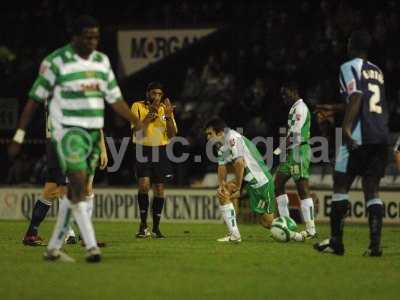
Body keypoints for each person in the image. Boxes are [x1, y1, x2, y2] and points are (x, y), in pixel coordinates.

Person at [8, 15, 141, 262]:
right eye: (88, 37)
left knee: (70, 191)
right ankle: (90, 246)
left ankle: (53, 246)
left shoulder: (101, 62)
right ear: (75, 37)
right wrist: (19, 133)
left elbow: (113, 99)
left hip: (91, 134)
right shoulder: (55, 63)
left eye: (96, 37)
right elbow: (34, 99)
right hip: (66, 134)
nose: (93, 42)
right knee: (76, 185)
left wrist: (135, 121)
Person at [314, 30, 389, 256]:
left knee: (340, 185)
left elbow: (356, 97)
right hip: (381, 136)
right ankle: (374, 246)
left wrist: (345, 128)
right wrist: (334, 108)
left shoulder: (348, 67)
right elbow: (364, 100)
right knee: (372, 190)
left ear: (352, 46)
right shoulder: (377, 71)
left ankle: (336, 242)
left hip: (358, 136)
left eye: (347, 42)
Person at [204, 116, 304, 243]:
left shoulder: (233, 138)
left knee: (268, 223)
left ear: (220, 132)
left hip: (261, 181)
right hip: (252, 182)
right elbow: (222, 166)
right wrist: (222, 183)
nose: (208, 137)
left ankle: (295, 235)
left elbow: (239, 163)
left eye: (209, 134)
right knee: (224, 193)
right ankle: (234, 235)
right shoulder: (221, 145)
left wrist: (238, 187)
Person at [130, 82, 177, 239]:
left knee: (159, 189)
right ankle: (143, 226)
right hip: (143, 149)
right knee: (143, 185)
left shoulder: (165, 109)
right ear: (148, 93)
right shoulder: (137, 106)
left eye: (159, 94)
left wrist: (169, 117)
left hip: (160, 150)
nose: (157, 97)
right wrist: (150, 115)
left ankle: (156, 228)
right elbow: (137, 130)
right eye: (154, 93)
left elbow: (172, 135)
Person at [274, 82, 317, 239]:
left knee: (302, 188)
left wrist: (281, 149)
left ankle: (311, 229)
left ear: (294, 92)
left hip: (300, 150)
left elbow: (297, 134)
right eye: (282, 95)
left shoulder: (300, 108)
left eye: (286, 94)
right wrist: (281, 149)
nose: (284, 98)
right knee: (277, 184)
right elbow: (290, 133)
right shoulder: (293, 108)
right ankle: (286, 223)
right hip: (291, 151)